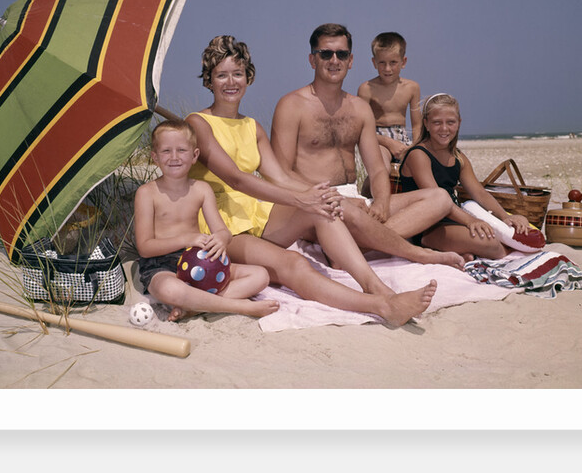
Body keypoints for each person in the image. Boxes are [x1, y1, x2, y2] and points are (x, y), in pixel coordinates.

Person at [185, 35, 439, 327]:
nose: (231, 82)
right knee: (294, 263)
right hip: (221, 227)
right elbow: (237, 179)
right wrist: (298, 198)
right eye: (222, 75)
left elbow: (278, 176)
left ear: (248, 77)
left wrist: (320, 195)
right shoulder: (198, 124)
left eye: (238, 74)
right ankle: (380, 306)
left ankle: (376, 286)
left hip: (257, 214)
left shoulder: (251, 126)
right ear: (209, 80)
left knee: (322, 207)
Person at [269, 23, 464, 269]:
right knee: (345, 210)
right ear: (312, 59)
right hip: (315, 203)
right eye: (325, 53)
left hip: (357, 200)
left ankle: (352, 249)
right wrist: (334, 197)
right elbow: (281, 174)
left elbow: (378, 169)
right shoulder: (291, 105)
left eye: (341, 54)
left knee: (440, 198)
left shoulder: (359, 109)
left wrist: (382, 201)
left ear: (351, 60)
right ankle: (414, 253)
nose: (334, 60)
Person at [133, 120, 280, 321]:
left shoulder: (201, 189)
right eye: (166, 151)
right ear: (155, 157)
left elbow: (222, 232)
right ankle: (239, 307)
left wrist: (220, 239)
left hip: (200, 260)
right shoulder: (147, 193)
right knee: (170, 289)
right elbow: (145, 247)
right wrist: (188, 239)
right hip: (162, 265)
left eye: (182, 150)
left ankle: (193, 307)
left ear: (194, 156)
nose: (174, 157)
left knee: (260, 276)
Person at [397, 92, 531, 260]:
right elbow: (436, 202)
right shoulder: (419, 155)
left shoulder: (458, 158)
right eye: (437, 122)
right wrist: (470, 221)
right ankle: (436, 246)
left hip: (454, 219)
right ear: (426, 124)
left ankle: (460, 251)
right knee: (490, 243)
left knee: (499, 236)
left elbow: (480, 193)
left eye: (450, 122)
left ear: (459, 123)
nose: (444, 129)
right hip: (426, 227)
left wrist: (506, 217)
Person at [357, 31, 422, 174]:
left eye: (393, 62)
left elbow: (417, 125)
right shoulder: (366, 89)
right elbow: (360, 128)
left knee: (419, 169)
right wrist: (388, 142)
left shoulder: (412, 88)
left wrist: (416, 148)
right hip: (377, 139)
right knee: (383, 169)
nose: (387, 69)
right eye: (382, 63)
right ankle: (367, 193)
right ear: (374, 62)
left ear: (403, 62)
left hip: (403, 138)